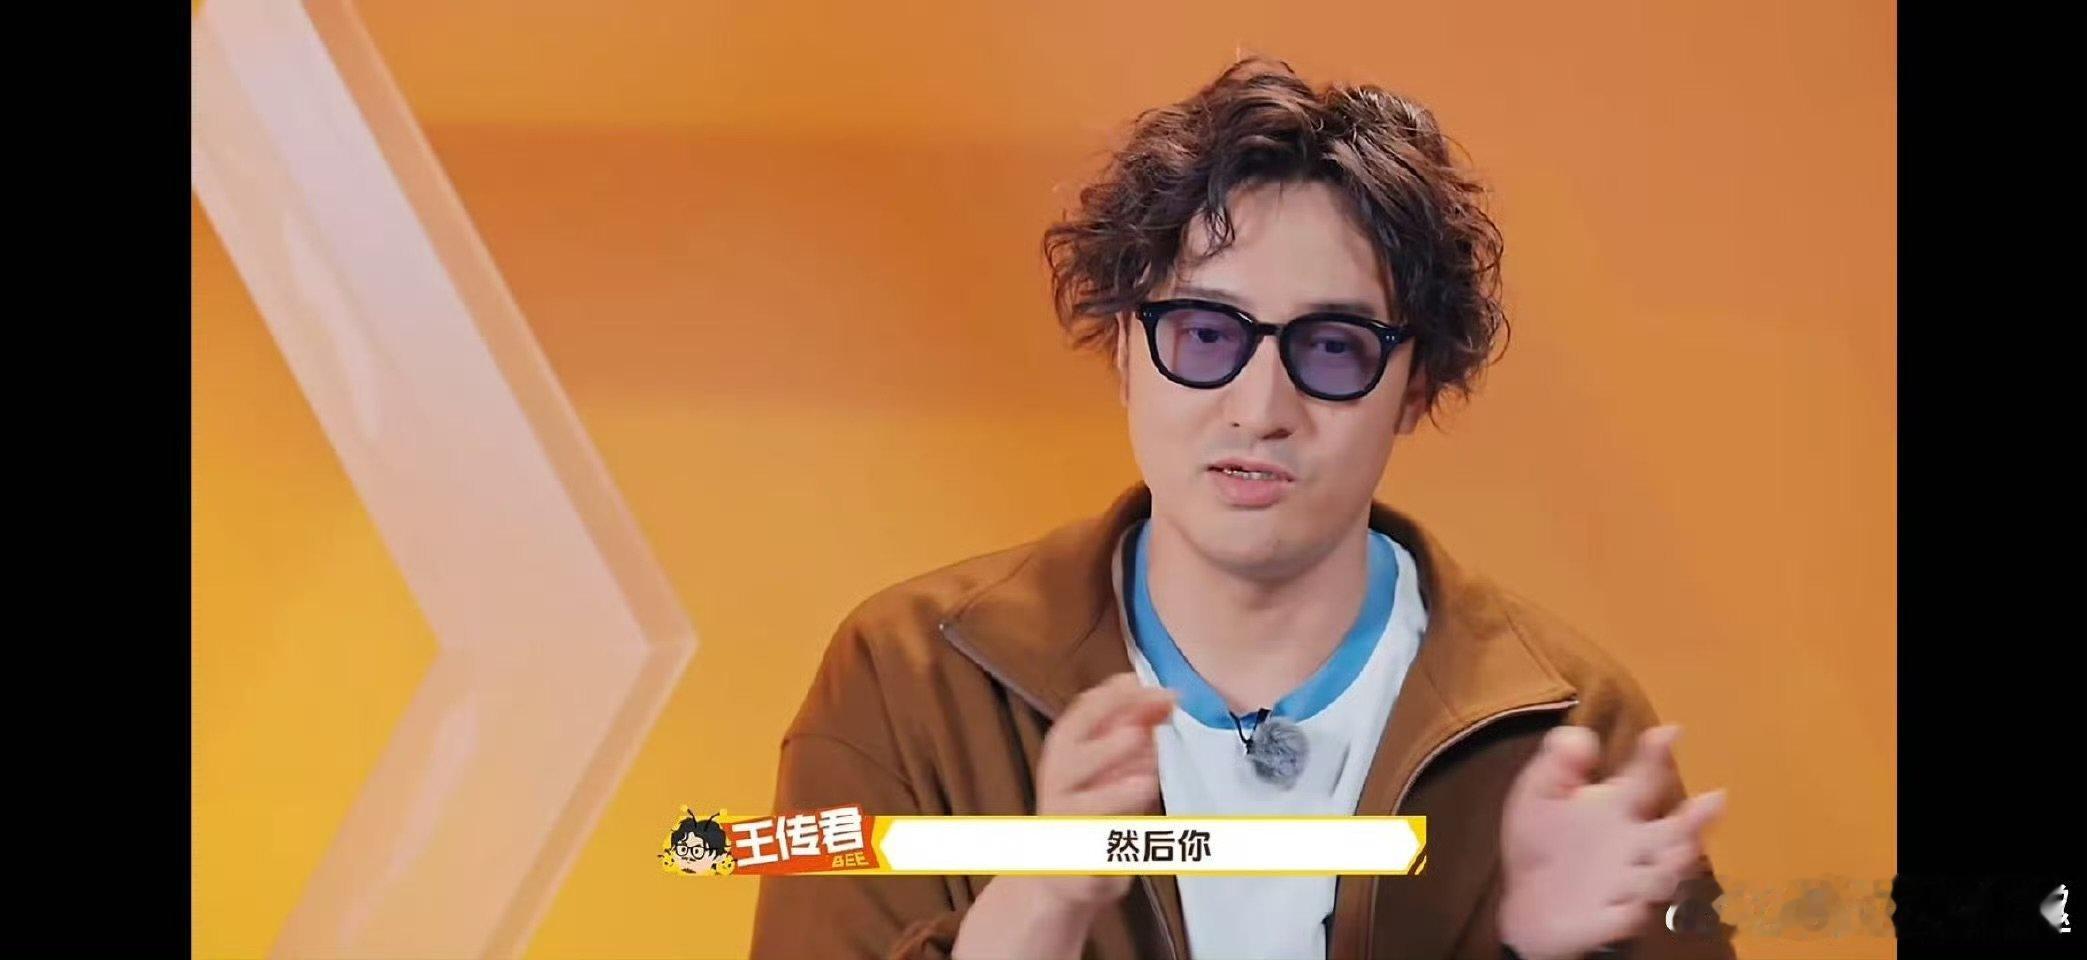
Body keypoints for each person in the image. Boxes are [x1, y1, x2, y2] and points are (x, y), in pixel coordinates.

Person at [750, 56, 1736, 960]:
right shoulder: (906, 679)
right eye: (1206, 334)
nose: (1260, 409)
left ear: (1416, 387)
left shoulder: (1566, 720)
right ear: (1124, 351)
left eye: (1333, 347)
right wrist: (1038, 904)